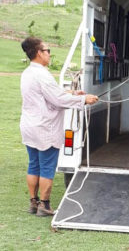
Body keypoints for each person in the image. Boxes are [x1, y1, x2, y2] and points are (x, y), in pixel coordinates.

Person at [20, 37, 98, 217]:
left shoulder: (28, 73)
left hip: (30, 126)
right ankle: (45, 205)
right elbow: (57, 100)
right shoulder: (43, 74)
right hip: (44, 128)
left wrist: (71, 92)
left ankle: (34, 203)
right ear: (39, 53)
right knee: (47, 167)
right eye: (47, 50)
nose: (49, 54)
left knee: (33, 165)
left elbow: (49, 94)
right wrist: (82, 100)